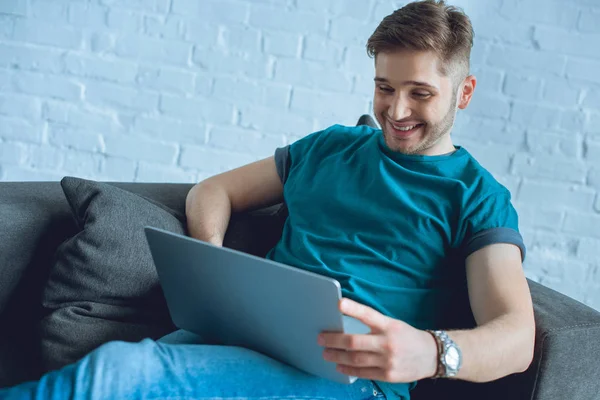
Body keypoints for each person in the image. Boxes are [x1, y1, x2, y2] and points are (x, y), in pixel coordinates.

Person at [0, 0, 535, 399]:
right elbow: (215, 190)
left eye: (419, 93)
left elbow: (516, 338)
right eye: (384, 87)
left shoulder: (477, 197)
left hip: (348, 379)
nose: (395, 111)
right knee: (112, 375)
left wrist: (433, 352)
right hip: (251, 336)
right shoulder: (330, 148)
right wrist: (216, 258)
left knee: (113, 376)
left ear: (463, 92)